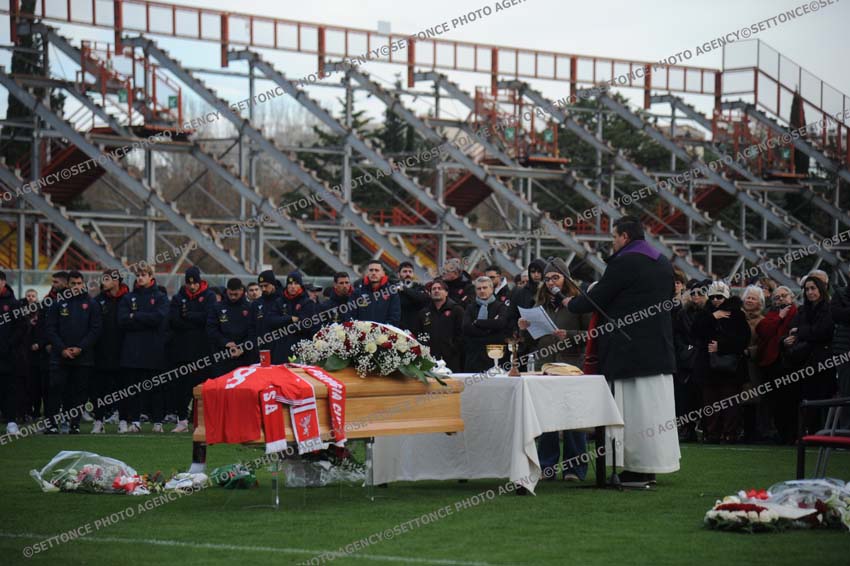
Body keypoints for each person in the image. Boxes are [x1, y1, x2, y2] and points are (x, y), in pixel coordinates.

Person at [566, 216, 680, 487]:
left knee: (632, 415)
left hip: (630, 352)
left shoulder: (624, 262)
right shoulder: (663, 262)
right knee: (655, 415)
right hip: (658, 349)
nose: (613, 243)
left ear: (625, 237)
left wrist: (571, 303)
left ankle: (634, 468)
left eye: (614, 237)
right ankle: (650, 467)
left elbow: (598, 298)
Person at [519, 258, 591, 481]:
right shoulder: (539, 304)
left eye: (555, 277)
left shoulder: (579, 303)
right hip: (545, 367)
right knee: (546, 418)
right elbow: (531, 342)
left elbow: (593, 334)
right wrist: (524, 329)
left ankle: (574, 469)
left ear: (566, 278)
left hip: (571, 367)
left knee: (573, 418)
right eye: (548, 278)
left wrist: (568, 335)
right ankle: (546, 467)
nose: (551, 282)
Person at [691, 281, 750, 444]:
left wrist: (721, 346)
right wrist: (712, 317)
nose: (716, 300)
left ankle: (729, 434)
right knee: (710, 403)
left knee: (730, 403)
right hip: (708, 367)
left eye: (719, 296)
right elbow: (694, 333)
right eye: (712, 297)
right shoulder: (704, 313)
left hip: (730, 367)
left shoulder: (737, 314)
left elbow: (743, 340)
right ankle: (712, 434)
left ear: (726, 297)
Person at [45, 271, 102, 434]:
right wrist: (62, 348)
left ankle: (74, 424)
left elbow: (96, 329)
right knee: (55, 390)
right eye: (73, 283)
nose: (76, 286)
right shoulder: (57, 303)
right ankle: (51, 424)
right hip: (59, 356)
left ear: (83, 284)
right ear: (67, 285)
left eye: (79, 283)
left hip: (83, 357)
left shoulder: (92, 304)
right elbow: (50, 328)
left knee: (79, 392)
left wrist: (80, 348)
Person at [118, 265, 169, 433]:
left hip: (154, 350)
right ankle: (135, 421)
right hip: (132, 350)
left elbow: (159, 318)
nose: (140, 278)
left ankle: (158, 422)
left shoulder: (160, 297)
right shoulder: (128, 297)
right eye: (138, 275)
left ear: (151, 276)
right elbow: (122, 320)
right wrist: (146, 319)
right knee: (133, 388)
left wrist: (136, 316)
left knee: (156, 388)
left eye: (143, 275)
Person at [782, 276, 835, 434]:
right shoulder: (803, 310)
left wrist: (799, 332)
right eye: (807, 289)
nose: (810, 292)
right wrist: (787, 340)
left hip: (823, 362)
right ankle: (808, 433)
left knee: (823, 399)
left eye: (813, 288)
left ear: (821, 289)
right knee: (806, 399)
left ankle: (824, 433)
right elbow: (791, 329)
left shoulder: (829, 308)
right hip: (803, 361)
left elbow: (822, 332)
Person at [168, 267, 215, 433]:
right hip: (182, 351)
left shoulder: (209, 296)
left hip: (202, 350)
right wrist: (195, 319)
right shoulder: (178, 297)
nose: (192, 286)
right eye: (189, 283)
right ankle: (182, 421)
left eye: (195, 283)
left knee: (201, 387)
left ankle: (200, 421)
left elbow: (208, 318)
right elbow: (174, 321)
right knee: (182, 387)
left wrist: (188, 315)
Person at [755, 285, 798, 444]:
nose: (781, 299)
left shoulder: (797, 312)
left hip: (791, 363)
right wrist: (779, 316)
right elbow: (762, 330)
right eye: (777, 297)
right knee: (775, 403)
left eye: (784, 295)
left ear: (791, 297)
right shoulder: (771, 314)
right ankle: (780, 434)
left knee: (790, 401)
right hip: (772, 364)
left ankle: (792, 434)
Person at [91, 270, 129, 434]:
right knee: (99, 388)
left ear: (116, 281)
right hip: (101, 351)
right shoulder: (97, 301)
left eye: (106, 279)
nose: (103, 282)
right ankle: (98, 421)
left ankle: (123, 420)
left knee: (123, 388)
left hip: (123, 351)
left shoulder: (128, 299)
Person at [673, 279, 710, 441]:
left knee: (703, 397)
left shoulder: (709, 313)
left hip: (704, 359)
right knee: (685, 397)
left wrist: (699, 348)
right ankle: (687, 429)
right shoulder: (682, 313)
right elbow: (677, 335)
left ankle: (707, 429)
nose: (696, 296)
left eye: (700, 293)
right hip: (686, 361)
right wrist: (685, 350)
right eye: (693, 293)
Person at [410, 279, 465, 371]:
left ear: (446, 293)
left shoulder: (456, 310)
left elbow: (462, 333)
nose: (436, 291)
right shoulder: (424, 312)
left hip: (451, 359)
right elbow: (418, 334)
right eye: (434, 289)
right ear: (430, 293)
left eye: (440, 288)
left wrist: (453, 348)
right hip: (429, 359)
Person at [207, 278, 257, 377]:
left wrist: (243, 347)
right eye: (230, 294)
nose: (233, 297)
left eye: (236, 294)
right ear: (227, 291)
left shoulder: (250, 307)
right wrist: (225, 342)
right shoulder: (217, 307)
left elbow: (253, 331)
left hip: (244, 356)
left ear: (241, 291)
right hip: (222, 355)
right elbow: (211, 329)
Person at [462, 276, 509, 372]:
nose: (482, 291)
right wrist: (490, 327)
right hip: (474, 356)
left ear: (491, 289)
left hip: (495, 356)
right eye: (479, 288)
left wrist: (477, 322)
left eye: (485, 287)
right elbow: (466, 327)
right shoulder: (470, 307)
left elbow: (500, 324)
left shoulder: (500, 307)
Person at [741, 285, 767, 442]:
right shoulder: (736, 318)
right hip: (736, 365)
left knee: (752, 399)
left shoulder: (763, 321)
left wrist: (750, 351)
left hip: (752, 365)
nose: (749, 300)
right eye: (748, 297)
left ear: (760, 303)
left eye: (753, 298)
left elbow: (764, 344)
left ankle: (753, 433)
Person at [253, 270, 295, 364]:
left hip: (282, 348)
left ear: (273, 284)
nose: (263, 289)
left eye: (266, 285)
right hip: (263, 348)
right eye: (261, 286)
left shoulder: (283, 300)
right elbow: (252, 326)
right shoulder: (257, 304)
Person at [0, 271, 21, 434]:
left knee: (9, 388)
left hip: (7, 355)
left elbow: (20, 328)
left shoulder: (13, 303)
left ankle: (11, 422)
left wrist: (8, 345)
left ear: (3, 282)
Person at [279, 271, 318, 357]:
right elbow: (272, 320)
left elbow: (306, 324)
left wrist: (284, 326)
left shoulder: (307, 302)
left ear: (300, 285)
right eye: (290, 284)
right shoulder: (279, 301)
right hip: (282, 348)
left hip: (301, 347)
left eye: (296, 283)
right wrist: (290, 319)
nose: (293, 286)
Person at [355, 262, 401, 326]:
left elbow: (394, 316)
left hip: (383, 331)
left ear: (383, 273)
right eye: (371, 270)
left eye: (377, 270)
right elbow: (351, 314)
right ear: (367, 273)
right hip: (361, 330)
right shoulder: (358, 292)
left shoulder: (391, 292)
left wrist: (382, 329)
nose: (373, 273)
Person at [830, 281, 850, 428]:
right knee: (846, 391)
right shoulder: (840, 293)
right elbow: (837, 315)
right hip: (844, 350)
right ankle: (846, 430)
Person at [20, 289, 41, 421]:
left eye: (33, 296)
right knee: (26, 383)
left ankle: (36, 411)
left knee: (37, 384)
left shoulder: (41, 310)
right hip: (24, 351)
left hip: (38, 352)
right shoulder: (21, 311)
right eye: (28, 296)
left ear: (36, 297)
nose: (30, 298)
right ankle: (26, 411)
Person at [397, 261, 430, 331]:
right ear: (398, 274)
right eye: (405, 271)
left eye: (410, 272)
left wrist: (404, 289)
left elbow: (423, 299)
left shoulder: (419, 287)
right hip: (396, 327)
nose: (408, 274)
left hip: (413, 329)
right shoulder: (392, 288)